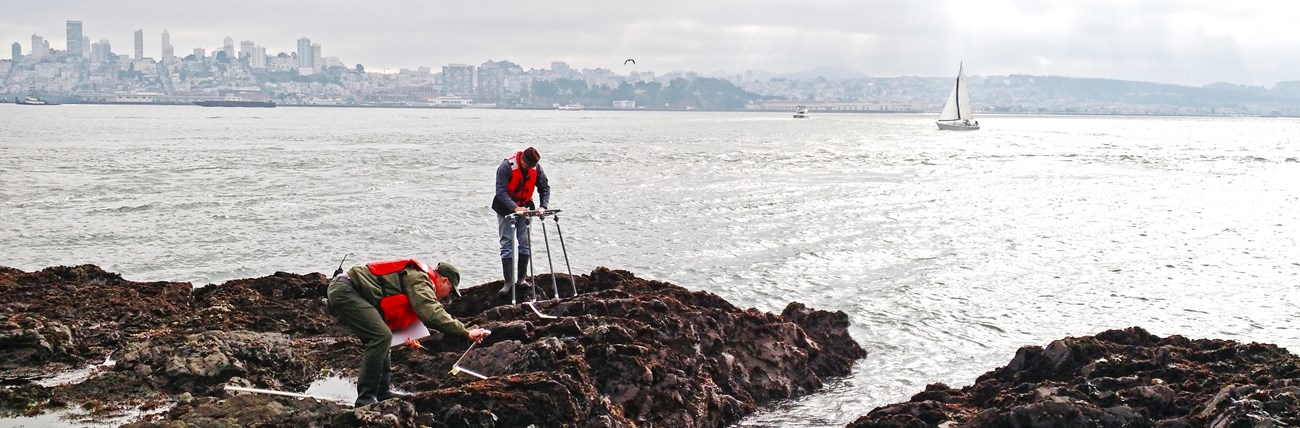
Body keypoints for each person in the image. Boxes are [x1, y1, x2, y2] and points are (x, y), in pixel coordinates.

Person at [326, 258, 490, 407]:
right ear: (444, 281)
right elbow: (430, 312)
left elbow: (398, 312)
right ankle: (365, 399)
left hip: (350, 292)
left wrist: (405, 337)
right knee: (381, 338)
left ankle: (382, 393)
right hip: (346, 291)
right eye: (451, 291)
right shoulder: (421, 279)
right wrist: (465, 332)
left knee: (383, 339)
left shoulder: (418, 278)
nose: (447, 297)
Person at [491, 147, 551, 297]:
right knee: (507, 244)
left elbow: (544, 187)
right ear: (522, 160)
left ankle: (521, 279)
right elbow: (501, 192)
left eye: (533, 166)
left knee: (525, 242)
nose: (530, 168)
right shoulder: (506, 167)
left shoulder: (536, 168)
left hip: (526, 209)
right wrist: (515, 208)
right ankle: (508, 282)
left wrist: (543, 206)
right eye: (528, 165)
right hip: (505, 209)